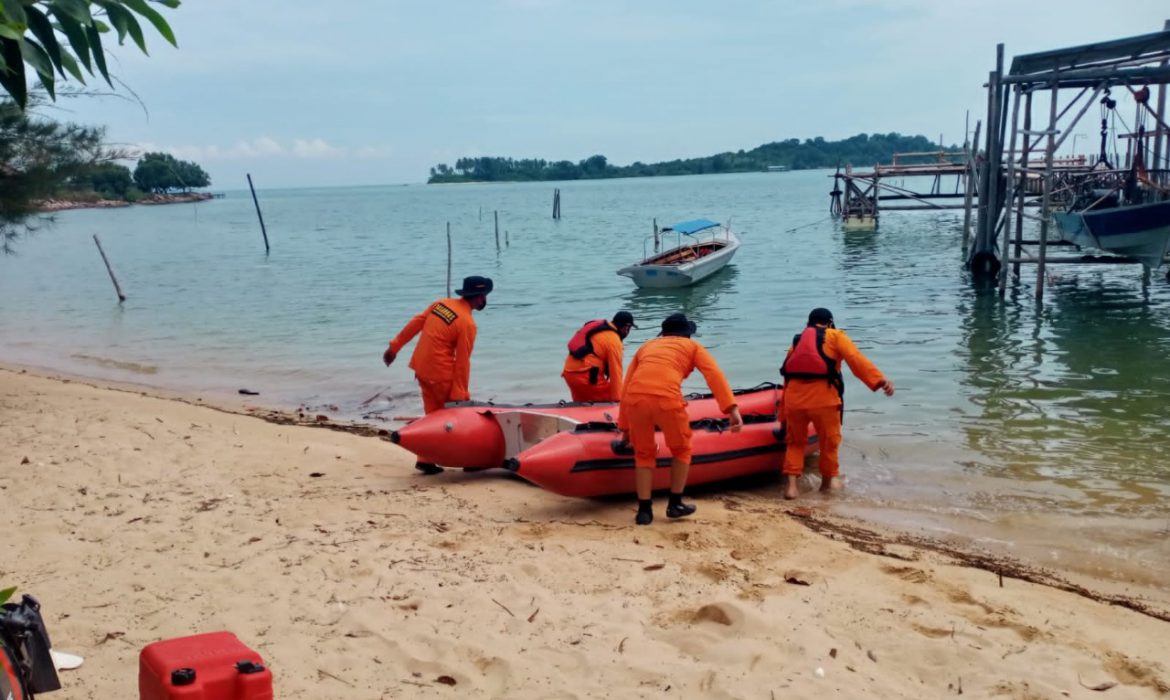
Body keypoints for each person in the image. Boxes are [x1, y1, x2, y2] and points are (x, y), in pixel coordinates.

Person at [619, 313, 743, 525]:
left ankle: (644, 511)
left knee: (643, 453)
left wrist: (625, 429)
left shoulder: (647, 346)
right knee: (682, 449)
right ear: (687, 334)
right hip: (667, 399)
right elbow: (714, 375)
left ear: (663, 333)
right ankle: (674, 504)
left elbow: (627, 384)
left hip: (636, 400)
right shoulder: (693, 347)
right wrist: (731, 409)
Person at [779, 307, 894, 499]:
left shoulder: (798, 342)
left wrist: (783, 414)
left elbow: (787, 376)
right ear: (830, 323)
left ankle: (791, 487)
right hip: (824, 400)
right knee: (829, 443)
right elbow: (855, 359)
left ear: (809, 324)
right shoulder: (835, 335)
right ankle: (826, 485)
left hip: (794, 399)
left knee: (795, 442)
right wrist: (879, 381)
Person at [383, 275, 493, 474]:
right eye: (485, 295)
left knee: (432, 416)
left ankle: (425, 459)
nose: (485, 299)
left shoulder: (441, 304)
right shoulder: (467, 323)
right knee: (459, 418)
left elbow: (415, 323)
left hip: (422, 369)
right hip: (440, 374)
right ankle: (469, 461)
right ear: (479, 297)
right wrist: (460, 394)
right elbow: (462, 361)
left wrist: (394, 347)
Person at [561, 311, 637, 403]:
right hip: (586, 376)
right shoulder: (614, 342)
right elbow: (616, 373)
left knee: (582, 404)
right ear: (626, 327)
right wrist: (618, 402)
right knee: (613, 399)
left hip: (569, 373)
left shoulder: (598, 328)